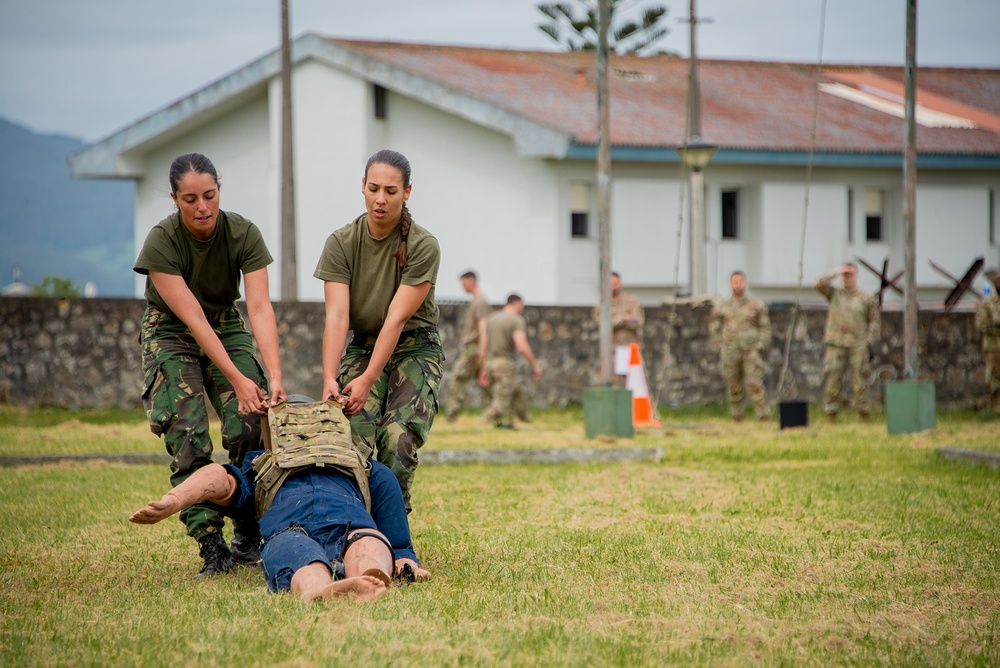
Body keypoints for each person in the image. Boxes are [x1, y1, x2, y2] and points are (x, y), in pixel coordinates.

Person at [133, 152, 286, 577]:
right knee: (186, 430)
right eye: (190, 199)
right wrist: (236, 379)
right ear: (174, 199)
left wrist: (271, 375)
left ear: (219, 190)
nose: (201, 207)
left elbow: (258, 307)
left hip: (225, 323)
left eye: (209, 196)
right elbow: (193, 321)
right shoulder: (161, 242)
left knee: (252, 421)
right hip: (171, 330)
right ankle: (210, 544)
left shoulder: (243, 233)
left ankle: (248, 531)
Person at [129, 442, 429, 603]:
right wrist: (174, 500)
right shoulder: (262, 467)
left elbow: (399, 543)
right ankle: (320, 591)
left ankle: (368, 578)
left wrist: (406, 563)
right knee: (303, 558)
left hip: (349, 524)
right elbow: (219, 478)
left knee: (366, 543)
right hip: (290, 530)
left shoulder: (364, 466)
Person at [314, 149, 443, 514]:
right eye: (373, 189)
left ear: (407, 192)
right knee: (349, 437)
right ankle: (349, 529)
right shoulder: (341, 243)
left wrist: (369, 378)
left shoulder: (422, 245)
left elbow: (395, 320)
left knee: (396, 438)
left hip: (415, 348)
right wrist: (329, 379)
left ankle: (393, 534)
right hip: (363, 346)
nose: (380, 199)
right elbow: (338, 317)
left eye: (390, 190)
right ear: (362, 188)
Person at [815, 262, 880, 423]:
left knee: (860, 381)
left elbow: (874, 322)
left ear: (856, 275)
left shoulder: (866, 298)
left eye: (850, 274)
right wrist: (836, 271)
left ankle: (864, 415)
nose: (847, 277)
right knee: (832, 380)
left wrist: (869, 340)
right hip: (836, 344)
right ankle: (831, 416)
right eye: (845, 274)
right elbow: (818, 284)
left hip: (858, 345)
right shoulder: (834, 293)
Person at [710, 270, 771, 422]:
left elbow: (765, 327)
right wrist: (719, 345)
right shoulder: (723, 305)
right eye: (734, 282)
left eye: (740, 281)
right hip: (730, 350)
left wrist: (761, 345)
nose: (738, 285)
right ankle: (737, 417)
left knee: (754, 384)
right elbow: (715, 327)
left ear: (745, 282)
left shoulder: (756, 304)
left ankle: (763, 416)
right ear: (730, 284)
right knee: (733, 385)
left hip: (750, 350)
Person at [479, 293, 543, 429]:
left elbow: (483, 344)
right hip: (504, 364)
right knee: (502, 399)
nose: (522, 309)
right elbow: (521, 346)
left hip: (490, 362)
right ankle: (484, 422)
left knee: (515, 391)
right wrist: (534, 365)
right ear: (517, 303)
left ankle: (526, 420)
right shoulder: (516, 320)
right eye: (522, 306)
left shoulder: (492, 318)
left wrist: (483, 367)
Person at [444, 270, 492, 420]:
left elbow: (484, 329)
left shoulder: (480, 301)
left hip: (474, 349)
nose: (462, 286)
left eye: (463, 282)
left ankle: (451, 415)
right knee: (487, 384)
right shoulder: (478, 301)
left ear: (471, 281)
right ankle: (496, 415)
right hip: (475, 349)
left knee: (458, 379)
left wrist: (482, 353)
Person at [591, 271, 644, 387]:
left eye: (616, 282)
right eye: (611, 283)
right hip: (612, 349)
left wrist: (626, 320)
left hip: (630, 347)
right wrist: (622, 319)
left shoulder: (632, 301)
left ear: (621, 283)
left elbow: (638, 321)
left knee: (635, 381)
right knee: (615, 383)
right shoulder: (602, 304)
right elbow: (602, 324)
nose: (614, 285)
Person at [975, 269, 1000, 412]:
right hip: (993, 347)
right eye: (997, 281)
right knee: (994, 378)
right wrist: (996, 325)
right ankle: (995, 407)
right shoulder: (987, 303)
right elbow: (982, 324)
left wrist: (995, 322)